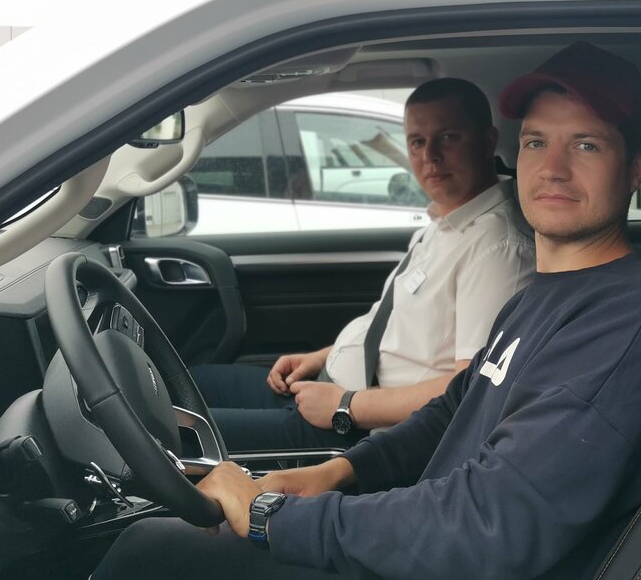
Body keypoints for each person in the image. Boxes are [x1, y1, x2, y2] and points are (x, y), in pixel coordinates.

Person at [63, 42, 641, 580]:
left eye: (586, 144)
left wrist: (272, 516)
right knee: (146, 556)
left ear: (636, 168)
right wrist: (337, 472)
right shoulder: (545, 293)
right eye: (537, 142)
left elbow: (488, 523)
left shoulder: (626, 326)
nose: (553, 167)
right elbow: (452, 412)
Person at [190, 77, 535, 451]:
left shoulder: (498, 248)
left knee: (174, 433)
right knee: (189, 383)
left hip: (361, 430)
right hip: (331, 391)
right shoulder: (448, 222)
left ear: (486, 141)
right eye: (417, 142)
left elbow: (472, 389)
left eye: (448, 137)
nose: (430, 156)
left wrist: (345, 406)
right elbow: (397, 330)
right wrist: (320, 358)